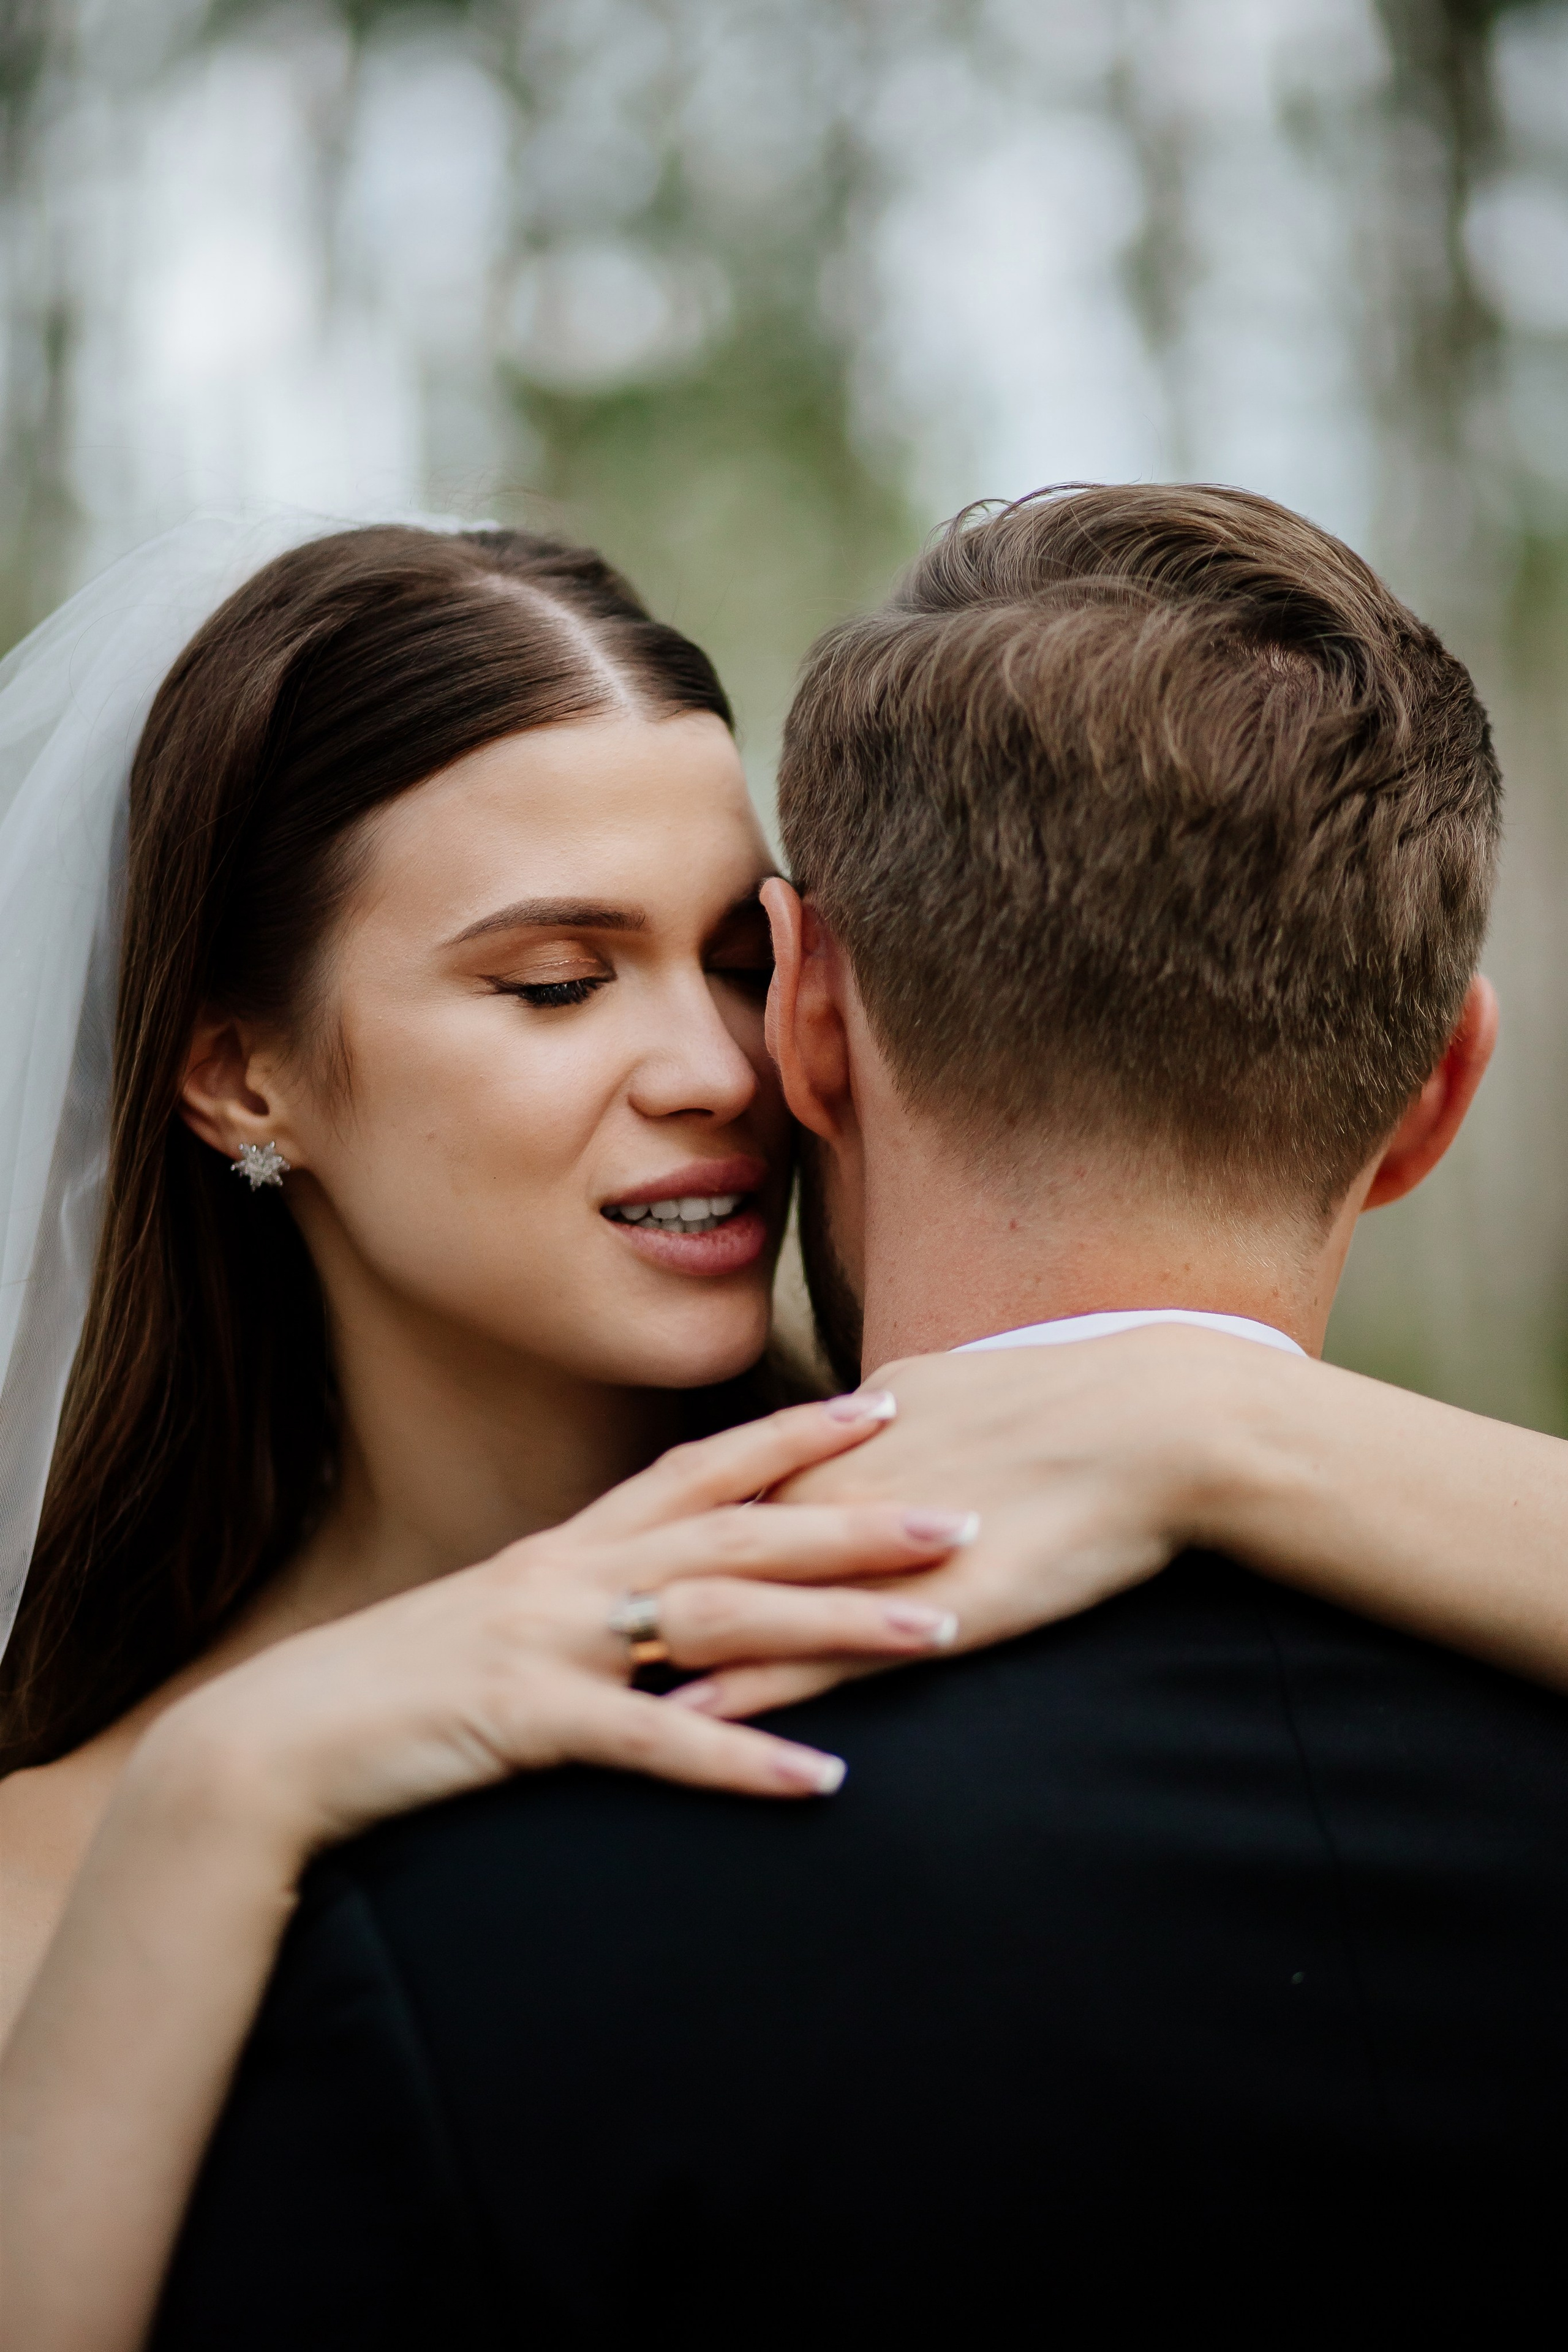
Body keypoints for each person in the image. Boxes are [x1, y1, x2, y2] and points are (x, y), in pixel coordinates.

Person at [145, 485, 1568, 2346]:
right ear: (1442, 1087)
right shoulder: (234, 1849)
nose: (707, 1065)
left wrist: (1196, 1428)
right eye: (558, 980)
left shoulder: (456, 1925)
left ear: (812, 1014)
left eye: (738, 967)